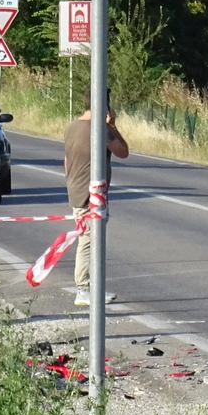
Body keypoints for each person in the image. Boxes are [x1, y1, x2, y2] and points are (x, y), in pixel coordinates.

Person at [63, 98, 129, 307]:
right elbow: (123, 151)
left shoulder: (72, 126)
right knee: (89, 240)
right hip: (92, 195)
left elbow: (66, 160)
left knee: (88, 238)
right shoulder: (100, 129)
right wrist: (112, 124)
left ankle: (91, 287)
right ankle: (83, 288)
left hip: (76, 189)